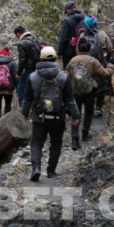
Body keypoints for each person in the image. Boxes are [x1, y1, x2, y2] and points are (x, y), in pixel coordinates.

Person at [22, 46, 80, 181]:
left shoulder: (32, 77)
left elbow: (27, 98)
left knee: (36, 142)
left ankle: (36, 168)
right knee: (56, 142)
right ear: (55, 58)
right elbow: (69, 99)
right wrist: (75, 115)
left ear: (40, 59)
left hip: (39, 116)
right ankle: (51, 171)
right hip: (58, 117)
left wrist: (25, 113)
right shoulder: (63, 76)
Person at [66, 39, 114, 150]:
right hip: (90, 90)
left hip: (75, 91)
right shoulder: (93, 61)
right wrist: (111, 64)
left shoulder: (72, 61)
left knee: (76, 114)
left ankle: (74, 139)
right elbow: (106, 74)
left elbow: (67, 75)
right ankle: (85, 134)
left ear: (78, 49)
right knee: (88, 112)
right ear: (89, 49)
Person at [78, 16, 114, 117]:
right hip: (100, 62)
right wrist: (108, 59)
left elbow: (77, 51)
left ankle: (89, 107)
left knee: (88, 84)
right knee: (103, 84)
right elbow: (110, 48)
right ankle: (98, 107)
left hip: (85, 64)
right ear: (96, 24)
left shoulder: (82, 35)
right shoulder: (102, 33)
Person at [14, 26, 40, 106]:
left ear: (18, 34)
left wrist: (19, 73)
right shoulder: (36, 40)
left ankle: (23, 108)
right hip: (39, 68)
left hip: (30, 69)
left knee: (21, 88)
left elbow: (22, 60)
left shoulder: (22, 43)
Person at [58, 1, 85, 68]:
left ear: (67, 10)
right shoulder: (83, 19)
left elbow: (64, 38)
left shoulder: (67, 20)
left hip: (69, 52)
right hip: (81, 50)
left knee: (68, 71)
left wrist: (59, 53)